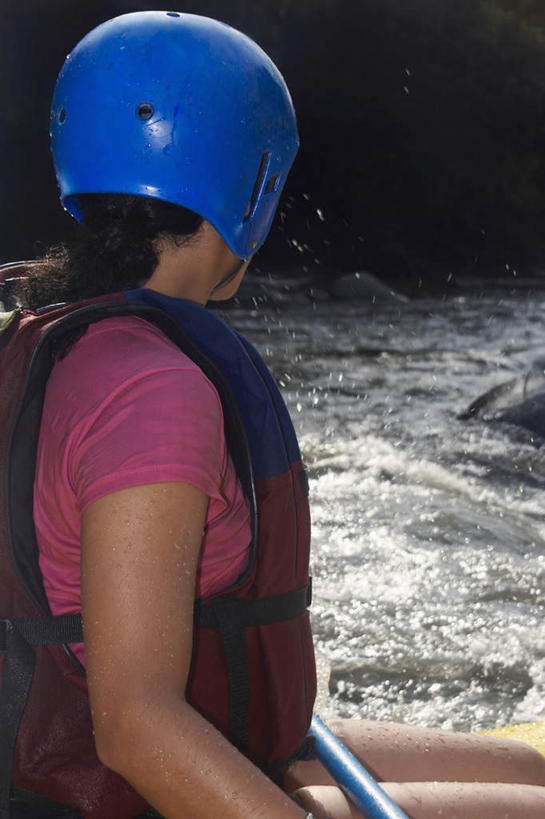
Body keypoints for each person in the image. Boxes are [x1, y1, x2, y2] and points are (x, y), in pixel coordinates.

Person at [3, 10, 545, 819]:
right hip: (115, 788)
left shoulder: (49, 329)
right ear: (249, 183)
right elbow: (135, 725)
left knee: (530, 773)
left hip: (118, 748)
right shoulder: (151, 388)